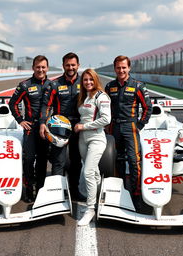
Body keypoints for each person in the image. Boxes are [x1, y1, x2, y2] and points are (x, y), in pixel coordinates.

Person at [105, 55, 152, 210]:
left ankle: (136, 194)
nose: (121, 70)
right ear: (115, 69)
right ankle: (119, 190)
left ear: (129, 68)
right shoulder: (109, 86)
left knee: (133, 160)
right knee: (115, 160)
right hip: (114, 128)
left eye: (124, 67)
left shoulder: (138, 86)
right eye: (118, 68)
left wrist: (139, 125)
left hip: (130, 127)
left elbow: (147, 108)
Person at [40, 52, 82, 200]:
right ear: (63, 66)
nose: (70, 67)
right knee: (58, 162)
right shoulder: (55, 84)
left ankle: (74, 191)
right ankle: (56, 194)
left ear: (78, 65)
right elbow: (46, 105)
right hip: (59, 127)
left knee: (76, 161)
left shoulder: (85, 82)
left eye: (73, 65)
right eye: (67, 65)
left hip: (78, 127)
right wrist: (42, 123)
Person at [9, 55, 50, 203]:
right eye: (38, 67)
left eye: (43, 67)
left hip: (46, 128)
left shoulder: (52, 85)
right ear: (33, 68)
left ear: (47, 68)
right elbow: (12, 103)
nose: (40, 70)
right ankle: (29, 188)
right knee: (28, 159)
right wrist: (20, 120)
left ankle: (41, 189)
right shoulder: (25, 85)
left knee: (42, 160)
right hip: (31, 128)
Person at [74, 69, 111, 226]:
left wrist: (84, 126)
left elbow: (106, 119)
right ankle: (99, 201)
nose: (88, 82)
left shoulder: (101, 96)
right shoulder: (83, 96)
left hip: (96, 138)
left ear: (96, 80)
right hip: (83, 139)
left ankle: (90, 209)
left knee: (88, 171)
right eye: (85, 80)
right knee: (94, 173)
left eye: (91, 79)